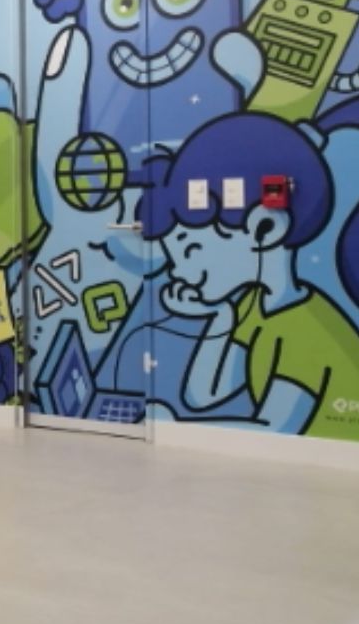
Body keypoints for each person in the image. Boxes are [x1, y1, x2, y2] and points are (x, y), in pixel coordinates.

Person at [138, 113, 359, 439]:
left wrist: (172, 428)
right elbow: (205, 395)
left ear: (265, 228)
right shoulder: (255, 304)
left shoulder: (307, 329)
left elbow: (278, 427)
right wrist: (220, 316)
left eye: (192, 251)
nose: (179, 272)